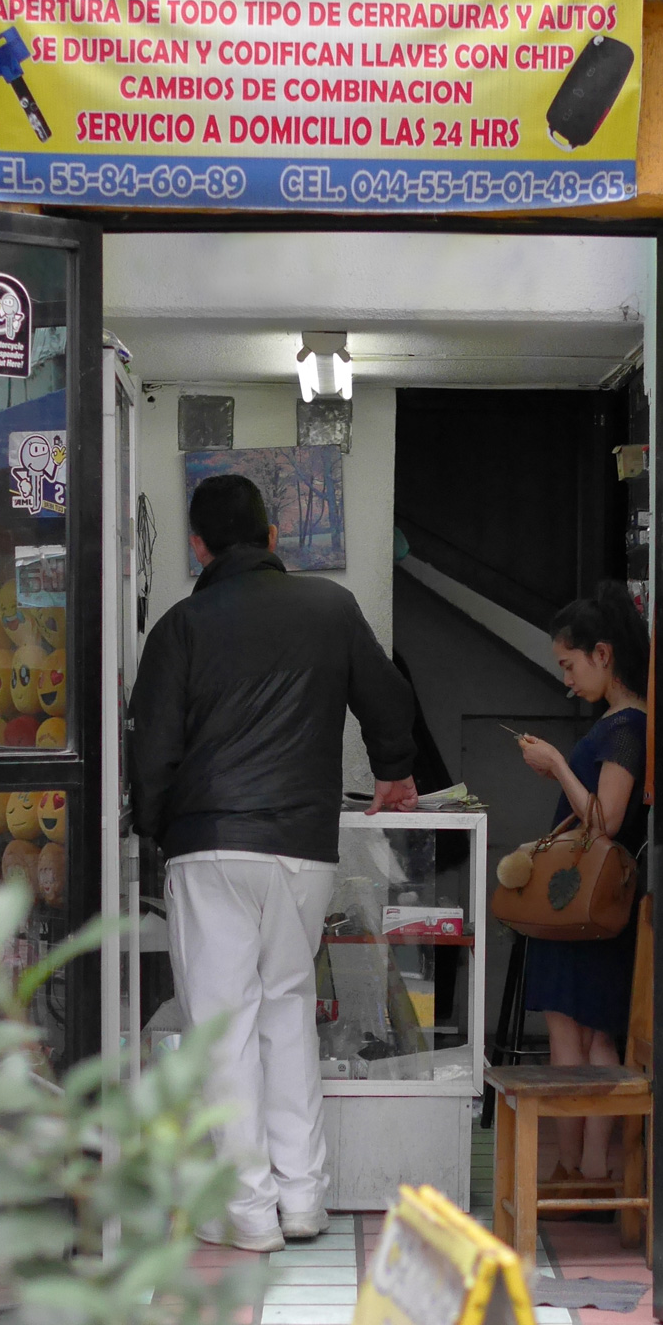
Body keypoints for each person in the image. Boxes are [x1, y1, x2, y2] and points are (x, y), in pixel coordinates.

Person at [129, 473, 419, 1251]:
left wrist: (157, 831)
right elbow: (389, 698)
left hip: (208, 845)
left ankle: (249, 1213)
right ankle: (303, 1201)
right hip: (302, 848)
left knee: (223, 1028)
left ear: (198, 547)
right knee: (287, 1012)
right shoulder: (330, 607)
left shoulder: (179, 628)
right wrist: (393, 769)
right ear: (273, 537)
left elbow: (151, 751)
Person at [515, 581, 650, 1188]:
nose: (567, 681)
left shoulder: (624, 727)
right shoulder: (628, 723)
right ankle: (586, 1167)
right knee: (592, 1035)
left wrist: (557, 766)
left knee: (574, 1034)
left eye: (570, 665)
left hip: (585, 905)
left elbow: (605, 820)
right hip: (596, 904)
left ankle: (575, 1168)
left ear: (603, 654)